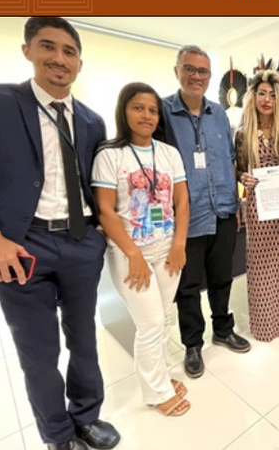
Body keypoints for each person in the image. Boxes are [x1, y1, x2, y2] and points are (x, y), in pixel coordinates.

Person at [0, 17, 120, 450]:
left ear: (79, 63)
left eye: (69, 51)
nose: (59, 58)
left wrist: (98, 235)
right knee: (39, 352)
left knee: (85, 340)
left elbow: (95, 183)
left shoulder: (92, 121)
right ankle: (57, 435)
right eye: (47, 46)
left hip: (80, 242)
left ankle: (86, 416)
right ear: (27, 51)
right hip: (20, 246)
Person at [92, 83, 191, 417]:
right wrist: (133, 255)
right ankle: (155, 392)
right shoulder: (110, 155)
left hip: (167, 249)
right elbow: (106, 211)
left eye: (152, 110)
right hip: (130, 253)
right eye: (138, 108)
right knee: (150, 325)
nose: (146, 115)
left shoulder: (169, 153)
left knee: (163, 319)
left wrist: (179, 244)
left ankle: (161, 376)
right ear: (124, 111)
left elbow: (182, 201)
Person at [162, 45, 250, 379]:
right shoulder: (163, 113)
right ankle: (192, 344)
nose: (196, 76)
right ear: (177, 71)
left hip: (224, 210)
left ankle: (223, 329)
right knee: (187, 285)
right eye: (189, 69)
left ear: (210, 76)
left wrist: (236, 202)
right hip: (187, 216)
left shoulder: (219, 114)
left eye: (203, 71)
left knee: (221, 277)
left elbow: (230, 160)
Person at [235, 70, 279, 341]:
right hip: (257, 209)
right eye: (262, 93)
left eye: (273, 95)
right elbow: (238, 170)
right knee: (260, 268)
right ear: (253, 97)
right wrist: (243, 178)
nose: (266, 100)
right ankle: (264, 326)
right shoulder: (243, 134)